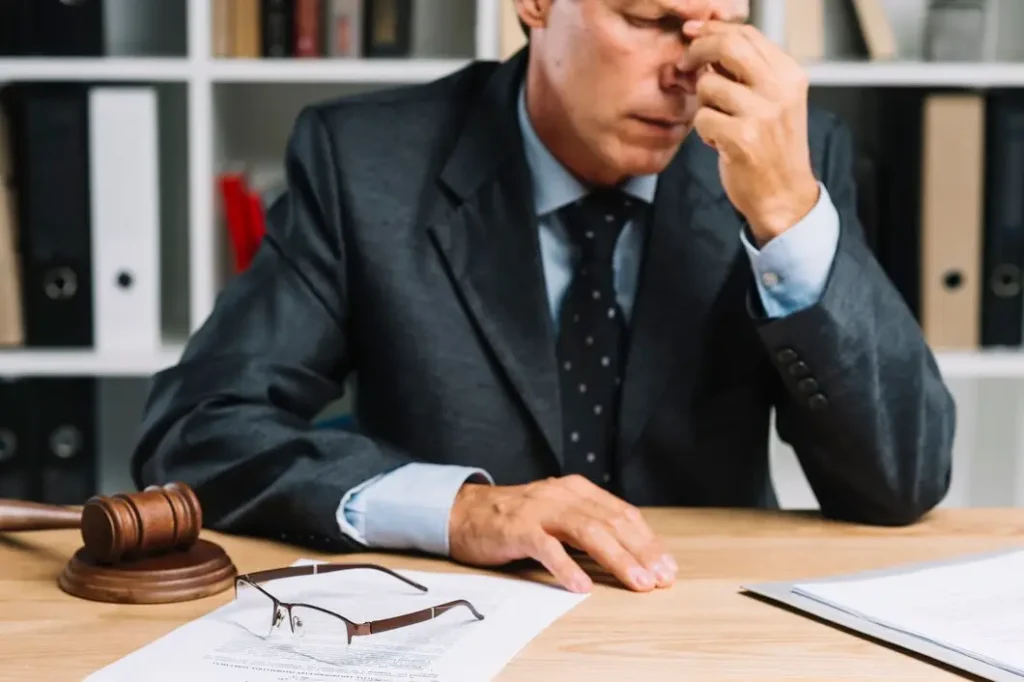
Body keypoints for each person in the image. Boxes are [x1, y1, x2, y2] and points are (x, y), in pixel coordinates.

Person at [131, 0, 955, 595]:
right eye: (647, 20)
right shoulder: (363, 162)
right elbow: (194, 434)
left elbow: (901, 481)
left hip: (703, 618)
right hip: (440, 621)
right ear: (534, 5)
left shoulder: (784, 159)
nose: (690, 72)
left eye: (719, 27)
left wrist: (787, 218)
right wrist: (456, 510)